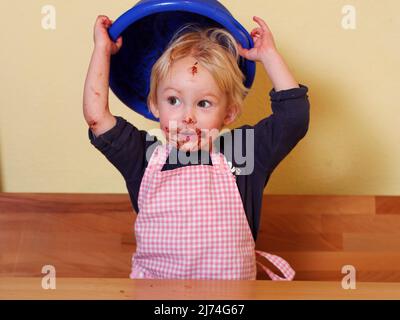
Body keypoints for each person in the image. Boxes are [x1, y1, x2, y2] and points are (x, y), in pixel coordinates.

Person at [83, 14, 310, 280]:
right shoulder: (142, 157)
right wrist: (102, 50)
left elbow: (294, 117)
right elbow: (97, 118)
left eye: (203, 103)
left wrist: (269, 55)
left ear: (229, 113)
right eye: (173, 100)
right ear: (154, 105)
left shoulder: (243, 153)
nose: (187, 117)